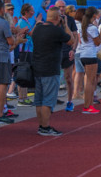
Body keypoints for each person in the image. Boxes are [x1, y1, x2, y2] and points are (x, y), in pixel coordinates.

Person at [30, 8, 72, 136]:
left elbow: (31, 35)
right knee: (48, 99)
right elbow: (71, 40)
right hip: (50, 68)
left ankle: (41, 125)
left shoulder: (37, 29)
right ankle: (45, 127)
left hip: (38, 67)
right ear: (57, 17)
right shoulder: (56, 31)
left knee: (39, 99)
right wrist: (65, 25)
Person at [76, 7, 101, 114]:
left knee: (89, 81)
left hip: (83, 54)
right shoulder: (92, 27)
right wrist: (100, 31)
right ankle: (87, 106)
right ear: (94, 15)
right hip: (90, 55)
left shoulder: (83, 26)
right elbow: (97, 42)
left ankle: (89, 104)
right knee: (90, 82)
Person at [14, 4, 36, 106]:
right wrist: (37, 23)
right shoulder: (22, 22)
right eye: (31, 11)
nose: (33, 12)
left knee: (26, 72)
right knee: (23, 72)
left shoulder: (25, 21)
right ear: (26, 12)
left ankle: (24, 97)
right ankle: (21, 98)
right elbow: (31, 33)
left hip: (28, 50)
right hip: (24, 50)